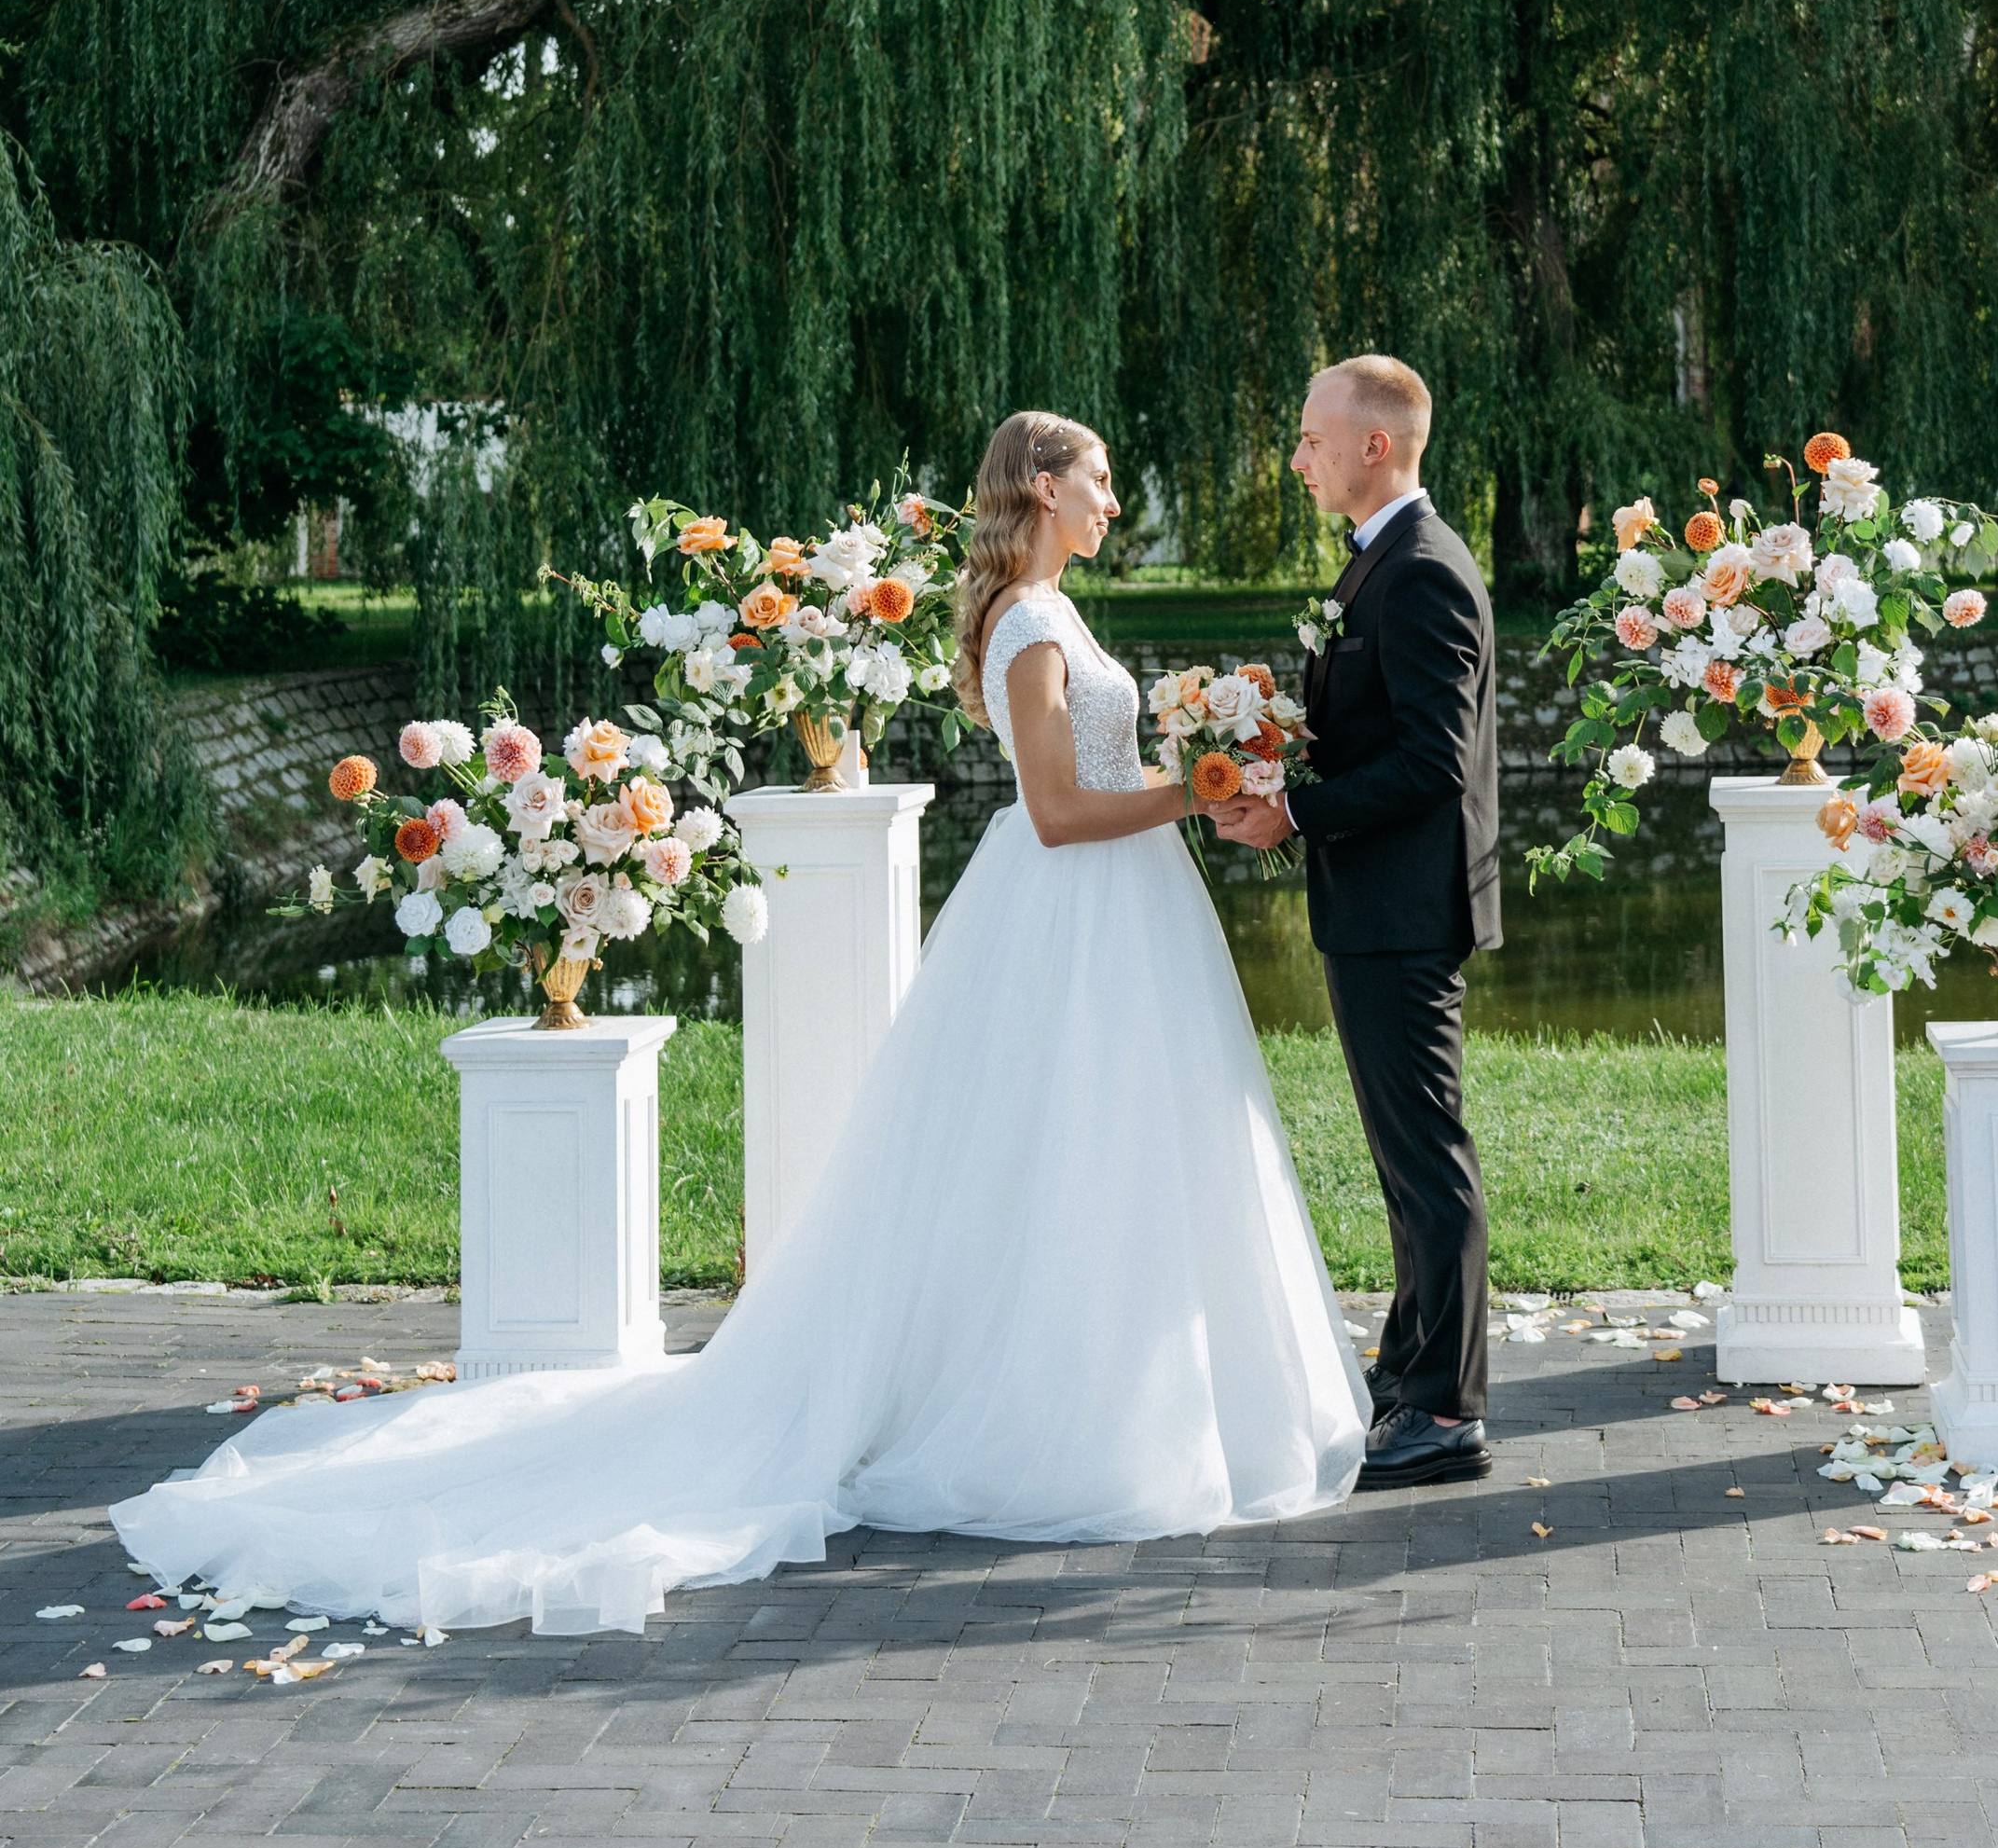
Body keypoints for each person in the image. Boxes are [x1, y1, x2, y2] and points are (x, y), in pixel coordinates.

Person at [112, 413, 1367, 1635]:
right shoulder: (1031, 624)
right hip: (1072, 905)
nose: (1110, 500)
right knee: (1055, 1147)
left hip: (1119, 918)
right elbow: (1052, 812)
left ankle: (1117, 1392)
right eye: (1095, 479)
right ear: (1040, 485)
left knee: (1104, 1154)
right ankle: (1044, 1413)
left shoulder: (1057, 610)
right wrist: (1196, 797)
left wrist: (1205, 761)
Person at [1208, 353, 1499, 1488]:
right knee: (1403, 1156)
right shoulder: (1377, 564)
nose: (1297, 458)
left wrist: (1293, 812)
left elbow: (1435, 762)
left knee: (1427, 1157)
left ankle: (1443, 1410)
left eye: (1312, 437)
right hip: (1373, 903)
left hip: (1403, 908)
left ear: (1374, 445)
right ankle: (1412, 1368)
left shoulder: (1422, 572)